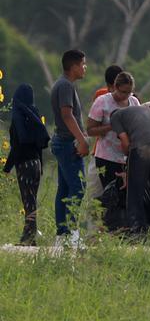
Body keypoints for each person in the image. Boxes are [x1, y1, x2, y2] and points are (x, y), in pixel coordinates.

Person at [50, 49, 90, 247]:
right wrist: (82, 139)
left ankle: (62, 234)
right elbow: (67, 115)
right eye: (83, 64)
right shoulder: (65, 85)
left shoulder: (64, 84)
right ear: (73, 66)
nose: (85, 68)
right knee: (78, 187)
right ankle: (70, 232)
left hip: (63, 141)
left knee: (65, 189)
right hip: (67, 143)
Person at [110, 105, 150, 235]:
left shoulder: (115, 117)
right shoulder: (142, 110)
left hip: (142, 146)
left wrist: (127, 161)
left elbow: (125, 143)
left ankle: (138, 232)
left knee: (135, 192)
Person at [3, 84, 50, 245]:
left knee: (28, 201)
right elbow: (39, 145)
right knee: (32, 201)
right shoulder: (34, 116)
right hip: (36, 164)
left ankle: (29, 238)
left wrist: (7, 168)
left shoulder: (18, 118)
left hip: (24, 164)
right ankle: (30, 237)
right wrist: (41, 167)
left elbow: (17, 146)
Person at [86, 72, 140, 204]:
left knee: (125, 198)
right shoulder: (103, 101)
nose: (124, 96)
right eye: (122, 92)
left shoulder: (134, 102)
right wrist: (112, 126)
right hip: (106, 156)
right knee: (109, 196)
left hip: (126, 157)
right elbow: (90, 130)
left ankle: (123, 224)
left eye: (129, 92)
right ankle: (107, 223)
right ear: (115, 87)